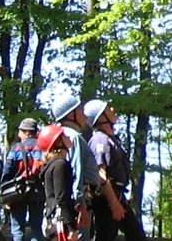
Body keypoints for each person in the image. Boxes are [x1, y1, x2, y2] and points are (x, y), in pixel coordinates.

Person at [50, 95, 115, 241]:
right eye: (79, 109)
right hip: (78, 201)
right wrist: (80, 205)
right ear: (70, 115)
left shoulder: (60, 136)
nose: (83, 113)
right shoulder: (74, 138)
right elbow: (76, 172)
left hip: (64, 200)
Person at [83, 100, 147, 241]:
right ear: (101, 118)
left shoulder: (110, 139)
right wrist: (113, 203)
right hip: (106, 200)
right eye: (107, 109)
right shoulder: (100, 140)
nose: (112, 109)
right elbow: (101, 174)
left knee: (136, 236)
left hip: (116, 198)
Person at [3, 117, 46, 241]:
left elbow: (7, 170)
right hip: (37, 191)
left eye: (20, 131)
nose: (18, 134)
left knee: (17, 231)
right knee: (36, 229)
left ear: (27, 132)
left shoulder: (16, 148)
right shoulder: (42, 148)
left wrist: (5, 193)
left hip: (18, 191)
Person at [39, 124, 83, 241]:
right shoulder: (60, 165)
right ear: (58, 142)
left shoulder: (52, 165)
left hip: (53, 219)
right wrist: (71, 227)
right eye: (63, 135)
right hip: (60, 222)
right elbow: (61, 198)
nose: (68, 137)